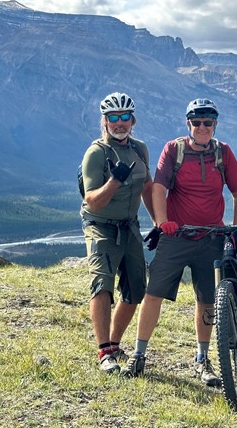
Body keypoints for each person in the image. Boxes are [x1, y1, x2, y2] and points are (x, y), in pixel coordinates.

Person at [121, 98, 237, 386]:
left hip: (211, 237)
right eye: (197, 122)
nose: (202, 127)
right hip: (176, 236)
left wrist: (234, 228)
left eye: (208, 123)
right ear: (188, 123)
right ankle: (139, 354)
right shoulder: (174, 150)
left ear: (215, 125)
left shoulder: (223, 153)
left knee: (206, 300)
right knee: (153, 293)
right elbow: (159, 189)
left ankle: (202, 359)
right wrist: (162, 222)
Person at [80, 92, 155, 374]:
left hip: (130, 226)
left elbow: (148, 187)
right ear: (105, 121)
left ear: (132, 120)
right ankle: (104, 352)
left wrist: (158, 223)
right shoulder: (97, 153)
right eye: (114, 118)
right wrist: (114, 181)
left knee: (136, 289)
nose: (119, 123)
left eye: (125, 117)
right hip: (100, 226)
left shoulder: (140, 149)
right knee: (102, 284)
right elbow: (92, 200)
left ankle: (113, 343)